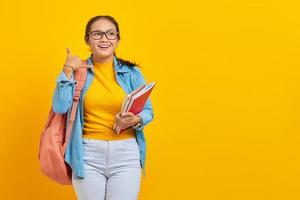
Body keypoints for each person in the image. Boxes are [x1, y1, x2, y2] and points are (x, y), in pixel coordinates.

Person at [52, 15, 154, 200]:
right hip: (86, 154)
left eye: (110, 34)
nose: (104, 39)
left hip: (126, 152)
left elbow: (148, 111)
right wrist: (67, 70)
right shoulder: (77, 71)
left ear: (117, 39)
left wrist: (135, 119)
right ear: (88, 39)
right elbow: (60, 107)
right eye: (97, 34)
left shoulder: (131, 73)